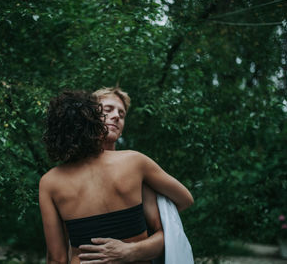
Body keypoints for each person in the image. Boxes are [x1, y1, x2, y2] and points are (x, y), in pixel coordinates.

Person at [39, 90, 193, 264]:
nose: (116, 117)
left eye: (121, 114)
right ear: (91, 117)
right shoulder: (135, 162)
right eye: (108, 110)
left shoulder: (50, 182)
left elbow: (55, 259)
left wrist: (130, 251)